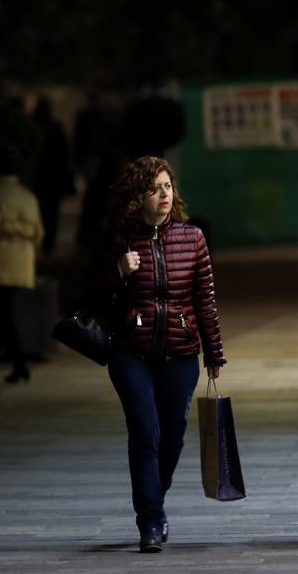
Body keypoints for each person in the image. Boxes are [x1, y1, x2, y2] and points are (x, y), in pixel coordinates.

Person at [85, 156, 226, 553]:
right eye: (154, 188)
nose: (163, 194)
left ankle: (154, 499)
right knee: (145, 434)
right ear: (137, 197)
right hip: (132, 352)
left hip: (181, 353)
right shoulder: (118, 239)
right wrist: (117, 269)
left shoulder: (192, 237)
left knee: (172, 437)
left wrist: (214, 353)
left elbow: (206, 300)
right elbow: (88, 286)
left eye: (167, 186)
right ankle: (149, 521)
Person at [0, 146, 44, 384]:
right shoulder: (26, 196)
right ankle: (7, 362)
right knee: (1, 312)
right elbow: (37, 232)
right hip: (20, 263)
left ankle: (12, 362)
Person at [30, 97, 75, 257]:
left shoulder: (34, 127)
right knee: (52, 212)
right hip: (54, 177)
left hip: (40, 177)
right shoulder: (55, 128)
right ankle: (48, 244)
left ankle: (42, 243)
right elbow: (65, 153)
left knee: (41, 210)